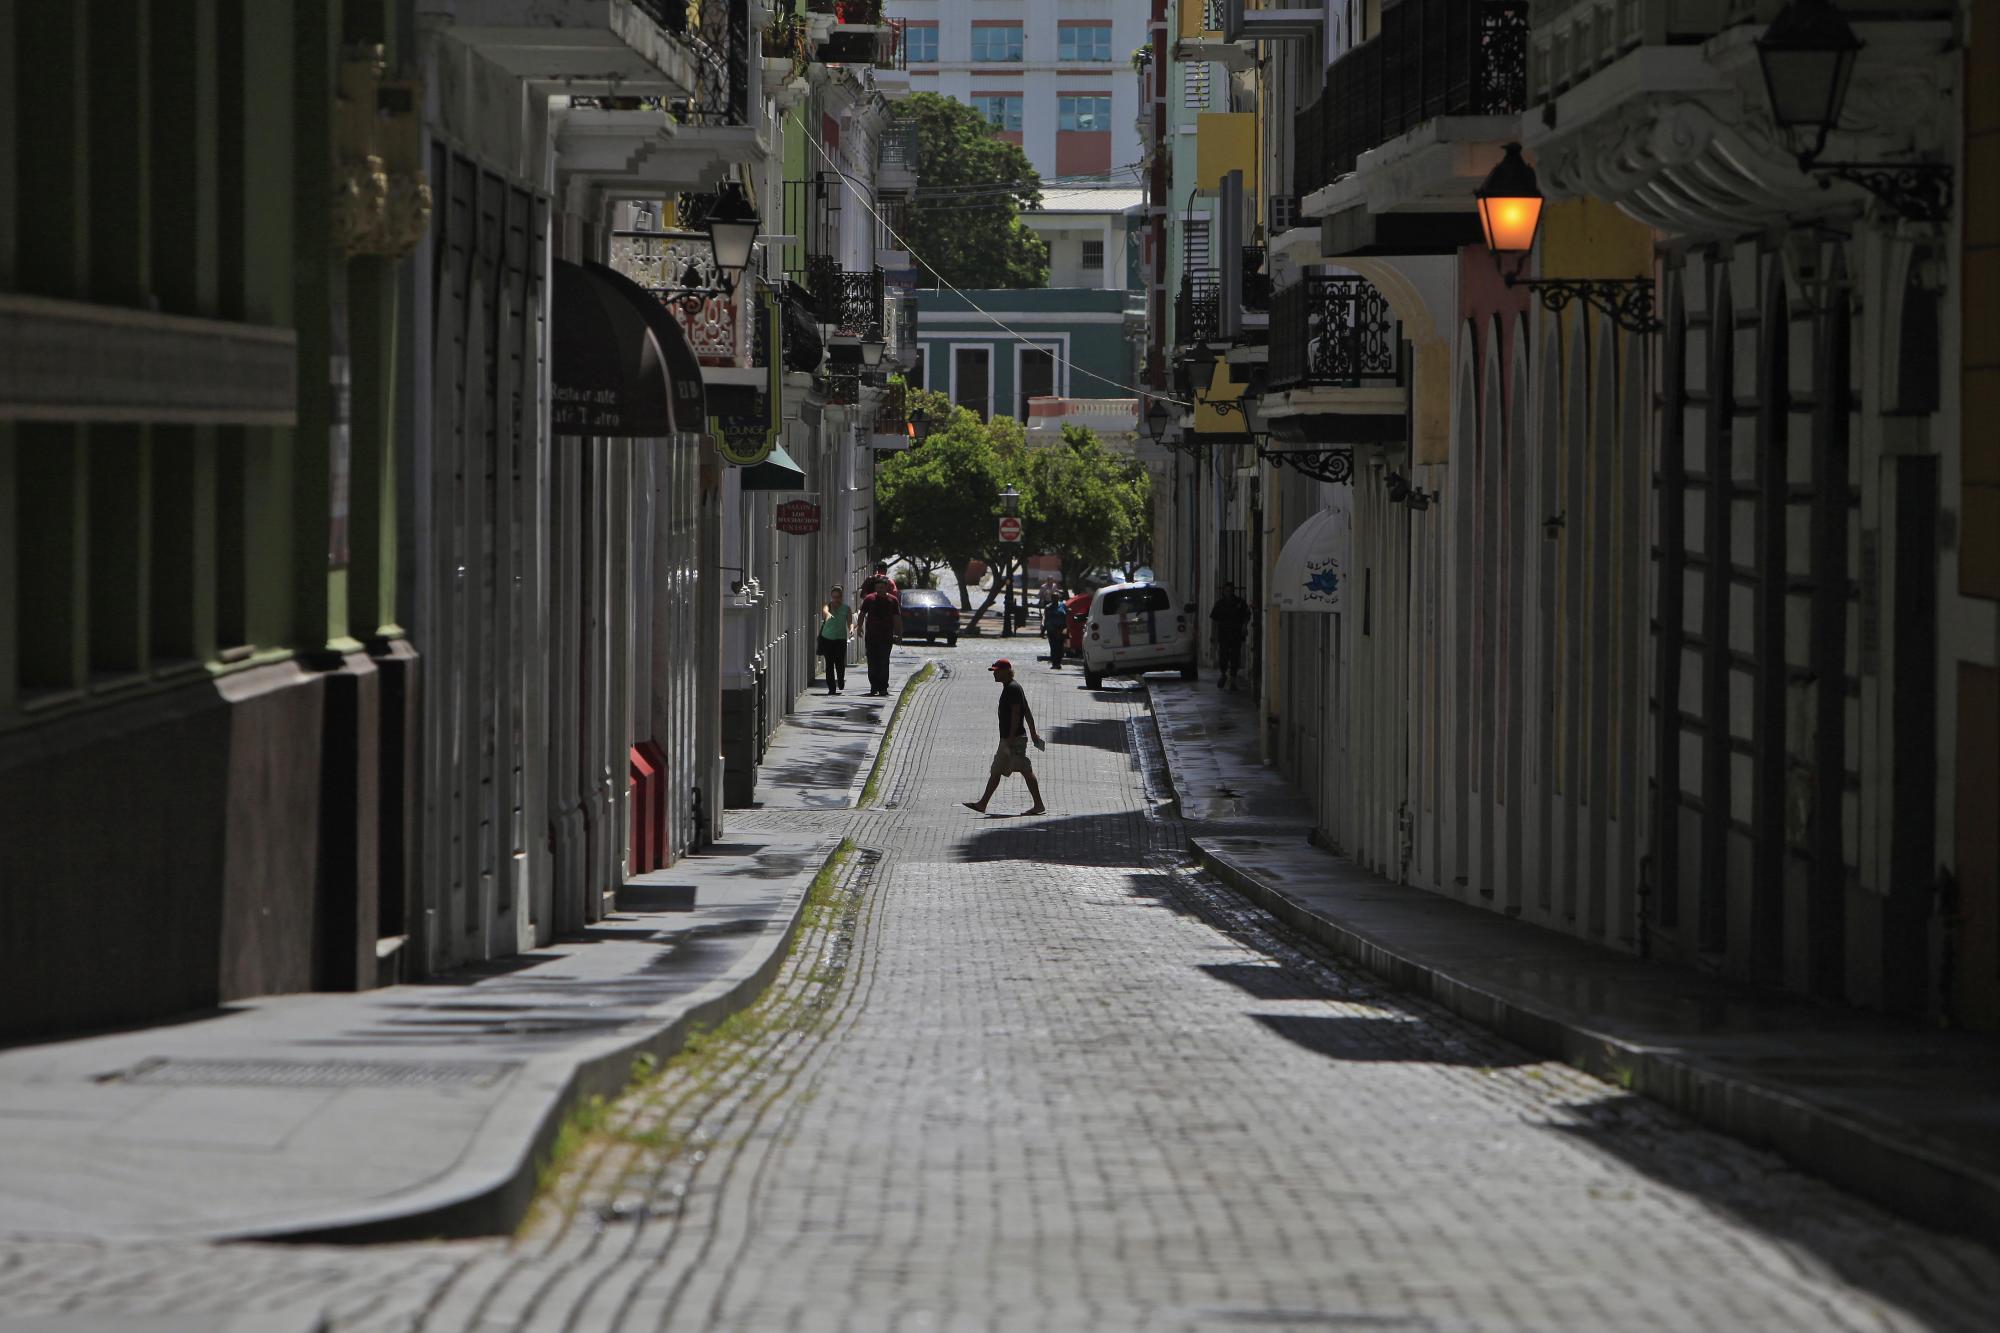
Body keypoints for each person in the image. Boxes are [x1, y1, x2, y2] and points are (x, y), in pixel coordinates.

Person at [963, 659, 1046, 816]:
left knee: (1024, 769)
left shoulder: (1012, 688)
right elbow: (1027, 711)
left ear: (1007, 672)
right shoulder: (1012, 687)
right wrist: (1033, 732)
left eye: (997, 671)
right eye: (994, 671)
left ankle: (1039, 805)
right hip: (1011, 738)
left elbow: (1017, 712)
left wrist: (1011, 737)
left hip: (1013, 739)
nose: (994, 674)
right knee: (998, 770)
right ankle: (982, 804)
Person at [858, 576, 901, 696]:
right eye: (877, 587)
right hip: (871, 636)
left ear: (886, 587)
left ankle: (883, 687)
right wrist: (859, 627)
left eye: (882, 587)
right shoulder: (869, 599)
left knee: (884, 661)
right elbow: (862, 613)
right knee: (872, 662)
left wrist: (899, 633)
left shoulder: (892, 600)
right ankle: (874, 686)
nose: (879, 590)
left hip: (886, 636)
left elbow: (897, 618)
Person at [1210, 581, 1253, 689]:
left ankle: (1233, 679)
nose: (1228, 593)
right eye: (1226, 591)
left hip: (1236, 634)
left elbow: (1247, 614)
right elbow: (1214, 620)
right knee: (1223, 656)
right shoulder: (1220, 604)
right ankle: (1223, 674)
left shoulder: (1239, 602)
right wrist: (1213, 635)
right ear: (1223, 591)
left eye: (1230, 591)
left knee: (1235, 656)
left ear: (1233, 591)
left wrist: (1244, 626)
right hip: (1223, 634)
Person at [816, 585, 852, 695]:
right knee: (829, 664)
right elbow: (825, 612)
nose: (836, 599)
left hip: (840, 639)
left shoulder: (846, 608)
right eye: (834, 597)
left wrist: (851, 629)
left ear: (841, 597)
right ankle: (831, 688)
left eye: (838, 597)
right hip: (827, 638)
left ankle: (840, 679)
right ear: (831, 597)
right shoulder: (827, 606)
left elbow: (850, 622)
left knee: (840, 663)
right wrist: (828, 614)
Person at [1043, 589, 1070, 669]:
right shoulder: (1048, 607)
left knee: (1060, 647)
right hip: (1052, 630)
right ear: (1051, 598)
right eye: (1053, 597)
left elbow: (1066, 616)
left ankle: (1058, 662)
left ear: (1059, 598)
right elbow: (1046, 619)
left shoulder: (1063, 605)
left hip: (1061, 629)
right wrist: (1043, 630)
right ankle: (1055, 663)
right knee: (1054, 646)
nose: (1055, 599)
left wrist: (1067, 628)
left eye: (1056, 597)